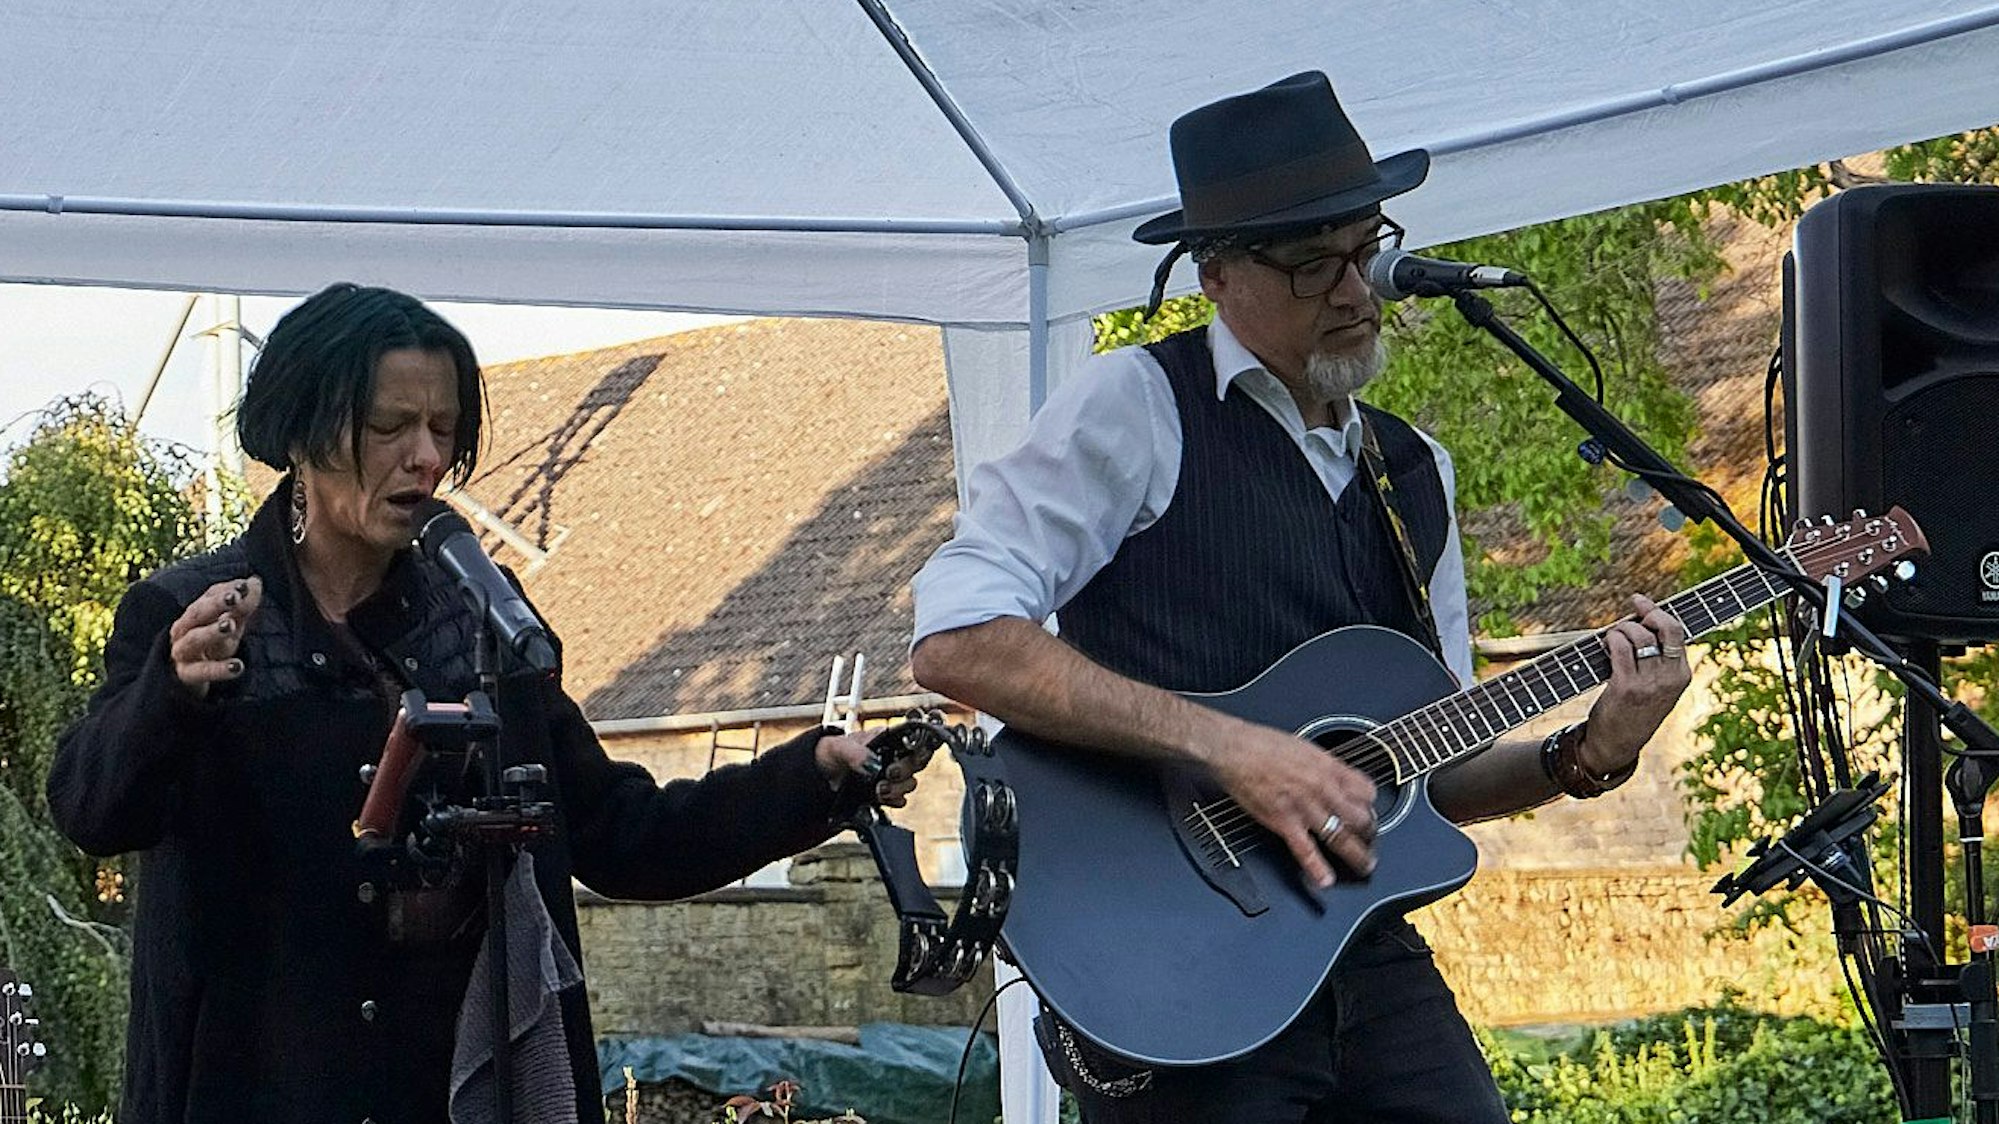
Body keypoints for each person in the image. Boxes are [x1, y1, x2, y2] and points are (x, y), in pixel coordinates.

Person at [908, 72, 1691, 1122]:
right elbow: (957, 640)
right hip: (1168, 955)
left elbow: (1432, 778)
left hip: (1353, 944)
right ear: (1217, 273)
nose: (1357, 291)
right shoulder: (1138, 405)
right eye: (1313, 264)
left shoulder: (1412, 470)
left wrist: (1589, 752)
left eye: (1367, 249)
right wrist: (1231, 748)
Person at [46, 283, 923, 1124]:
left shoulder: (479, 620)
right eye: (390, 427)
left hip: (452, 1094)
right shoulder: (189, 613)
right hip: (249, 1093)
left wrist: (812, 777)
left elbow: (623, 835)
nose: (425, 457)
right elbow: (93, 810)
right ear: (303, 433)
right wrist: (170, 691)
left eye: (443, 429)